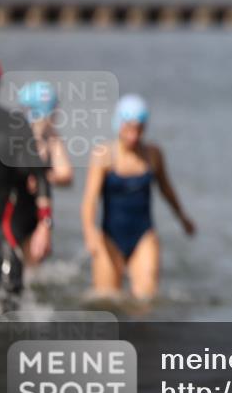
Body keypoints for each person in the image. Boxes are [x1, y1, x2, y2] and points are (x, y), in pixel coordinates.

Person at [81, 94, 195, 301]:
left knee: (146, 300)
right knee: (106, 299)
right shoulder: (104, 155)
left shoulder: (153, 155)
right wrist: (90, 232)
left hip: (143, 235)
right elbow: (90, 200)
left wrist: (182, 218)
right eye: (129, 129)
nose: (133, 135)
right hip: (109, 238)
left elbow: (166, 189)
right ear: (118, 124)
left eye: (139, 129)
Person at [0, 53, 53, 325]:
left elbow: (40, 176)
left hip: (3, 228)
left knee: (9, 308)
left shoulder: (13, 125)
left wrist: (45, 226)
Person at [13, 81, 74, 267]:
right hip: (13, 209)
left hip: (38, 212)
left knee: (31, 268)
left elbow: (66, 175)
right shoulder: (14, 136)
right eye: (54, 110)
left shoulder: (51, 138)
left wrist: (43, 177)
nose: (56, 114)